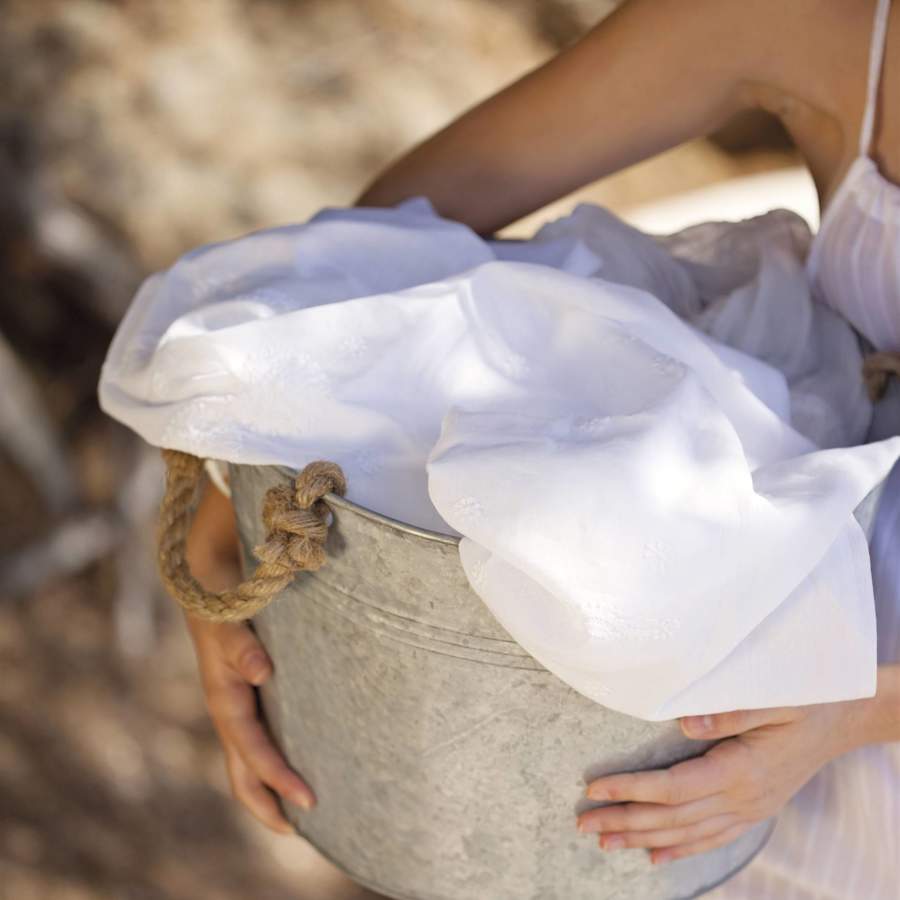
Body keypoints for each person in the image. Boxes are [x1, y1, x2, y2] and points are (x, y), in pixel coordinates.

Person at [182, 1, 900, 896]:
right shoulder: (818, 24)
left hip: (818, 737)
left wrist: (854, 714)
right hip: (717, 715)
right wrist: (236, 500)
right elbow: (377, 252)